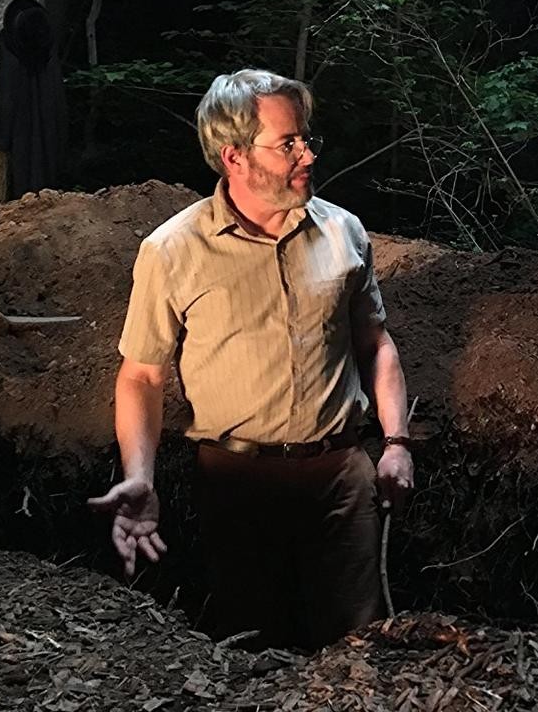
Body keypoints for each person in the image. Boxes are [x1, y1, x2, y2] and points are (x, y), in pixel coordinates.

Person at [88, 69, 414, 650]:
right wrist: (140, 476)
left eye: (306, 138)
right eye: (288, 143)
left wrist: (396, 443)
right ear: (234, 155)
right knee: (251, 650)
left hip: (340, 479)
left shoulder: (344, 232)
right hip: (235, 486)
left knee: (358, 651)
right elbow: (141, 375)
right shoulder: (173, 250)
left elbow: (375, 342)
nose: (307, 154)